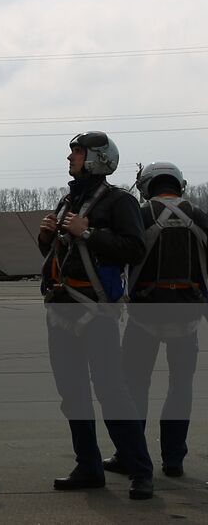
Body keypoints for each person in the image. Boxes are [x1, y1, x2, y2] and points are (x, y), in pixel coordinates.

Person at [37, 131, 153, 500]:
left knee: (112, 392)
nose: (70, 158)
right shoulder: (69, 200)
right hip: (61, 310)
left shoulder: (120, 202)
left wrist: (88, 233)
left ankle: (140, 471)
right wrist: (47, 236)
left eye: (77, 153)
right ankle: (88, 466)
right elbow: (57, 251)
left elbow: (134, 249)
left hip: (97, 313)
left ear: (97, 159)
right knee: (72, 393)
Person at [107, 161, 208, 479]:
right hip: (188, 318)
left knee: (134, 387)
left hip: (142, 319)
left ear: (147, 185)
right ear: (179, 184)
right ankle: (174, 459)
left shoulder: (139, 214)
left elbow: (118, 255)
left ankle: (130, 455)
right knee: (180, 389)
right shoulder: (200, 216)